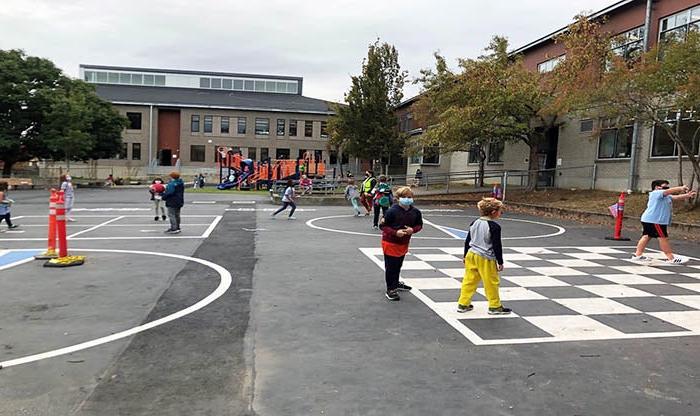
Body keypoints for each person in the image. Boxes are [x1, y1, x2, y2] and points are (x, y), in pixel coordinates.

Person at [457, 197, 511, 315]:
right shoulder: (494, 227)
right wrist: (500, 261)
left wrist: (465, 255)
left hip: (471, 254)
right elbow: (497, 245)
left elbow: (467, 240)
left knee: (469, 280)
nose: (500, 213)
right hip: (485, 257)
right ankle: (494, 306)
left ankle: (463, 303)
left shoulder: (474, 222)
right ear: (493, 212)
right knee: (491, 282)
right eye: (500, 211)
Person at [631, 180, 697, 263]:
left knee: (647, 236)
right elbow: (669, 191)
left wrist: (687, 195)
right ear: (657, 187)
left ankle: (638, 255)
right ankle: (671, 258)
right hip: (655, 221)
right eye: (664, 187)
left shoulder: (666, 196)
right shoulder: (656, 193)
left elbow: (675, 197)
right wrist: (681, 188)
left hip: (651, 220)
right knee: (663, 238)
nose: (667, 189)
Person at [380, 187, 422, 301]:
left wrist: (413, 230)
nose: (407, 199)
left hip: (404, 242)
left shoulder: (415, 212)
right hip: (390, 242)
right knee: (391, 266)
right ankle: (391, 288)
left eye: (409, 197)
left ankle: (396, 283)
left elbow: (419, 225)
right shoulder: (392, 211)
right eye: (404, 197)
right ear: (398, 199)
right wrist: (395, 232)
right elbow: (383, 226)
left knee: (398, 264)